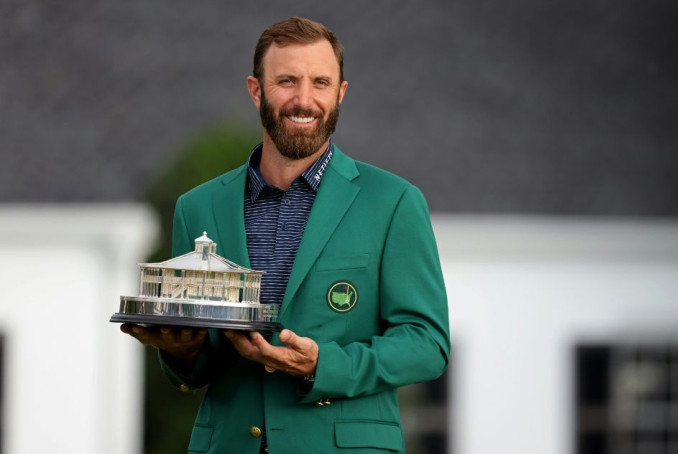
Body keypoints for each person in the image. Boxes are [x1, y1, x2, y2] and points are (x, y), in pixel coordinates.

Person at [122, 16, 450, 454]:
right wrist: (181, 353)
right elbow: (196, 369)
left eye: (320, 82)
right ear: (256, 90)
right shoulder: (197, 207)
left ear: (340, 93)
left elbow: (427, 344)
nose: (304, 99)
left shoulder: (393, 202)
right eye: (287, 81)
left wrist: (323, 365)